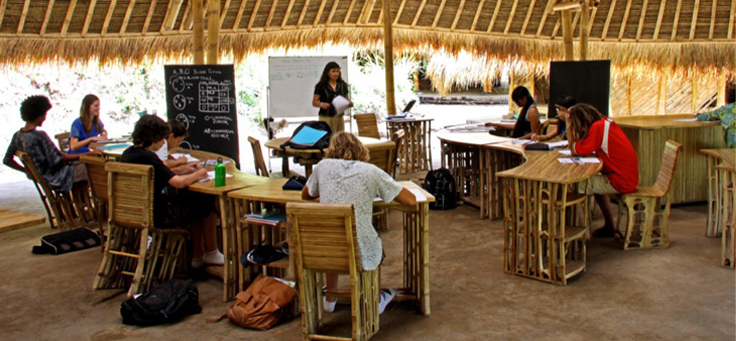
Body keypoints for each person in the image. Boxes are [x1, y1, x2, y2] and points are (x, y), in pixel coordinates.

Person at [301, 132, 417, 314]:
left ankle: (330, 298)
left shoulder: (322, 167)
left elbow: (306, 194)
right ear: (361, 150)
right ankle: (375, 301)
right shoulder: (371, 171)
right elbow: (410, 200)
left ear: (331, 150)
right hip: (360, 250)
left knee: (336, 236)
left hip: (326, 247)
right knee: (371, 241)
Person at [120, 115, 224, 268]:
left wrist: (184, 170)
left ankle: (200, 255)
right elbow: (179, 183)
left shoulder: (128, 154)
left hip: (131, 211)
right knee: (202, 200)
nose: (163, 142)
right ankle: (207, 253)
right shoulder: (150, 157)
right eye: (161, 139)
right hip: (156, 215)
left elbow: (162, 173)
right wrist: (198, 174)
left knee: (196, 200)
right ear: (152, 137)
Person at [567, 103, 639, 238]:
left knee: (574, 186)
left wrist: (568, 123)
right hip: (625, 177)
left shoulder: (598, 127)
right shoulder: (605, 122)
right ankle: (609, 226)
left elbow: (575, 150)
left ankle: (583, 232)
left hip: (620, 180)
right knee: (596, 188)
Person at [4, 95, 99, 192]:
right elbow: (60, 159)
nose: (44, 118)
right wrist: (86, 155)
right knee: (95, 168)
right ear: (38, 115)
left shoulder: (17, 136)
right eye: (44, 114)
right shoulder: (40, 136)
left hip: (45, 178)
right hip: (58, 177)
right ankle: (92, 201)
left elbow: (7, 160)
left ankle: (82, 200)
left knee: (84, 163)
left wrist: (27, 170)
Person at [312, 62, 353, 133]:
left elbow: (347, 100)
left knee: (339, 138)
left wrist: (349, 104)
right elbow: (314, 102)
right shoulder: (321, 86)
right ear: (327, 73)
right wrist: (322, 104)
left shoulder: (342, 85)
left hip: (338, 116)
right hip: (325, 116)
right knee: (326, 138)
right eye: (333, 71)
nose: (336, 74)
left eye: (337, 71)